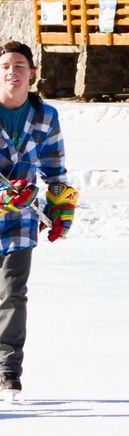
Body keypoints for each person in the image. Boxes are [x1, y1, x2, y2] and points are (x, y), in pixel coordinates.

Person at [0, 42, 77, 402]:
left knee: (12, 295)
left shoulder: (46, 116)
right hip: (8, 204)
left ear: (32, 73)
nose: (11, 72)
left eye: (19, 65)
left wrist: (61, 206)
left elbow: (55, 170)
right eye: (4, 66)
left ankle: (7, 372)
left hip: (20, 220)